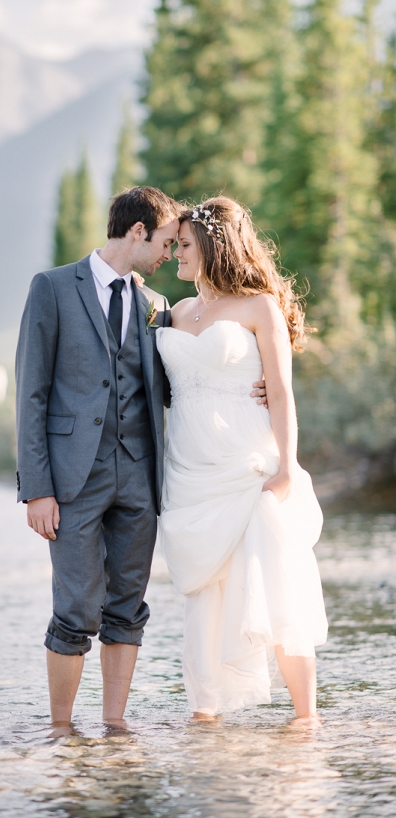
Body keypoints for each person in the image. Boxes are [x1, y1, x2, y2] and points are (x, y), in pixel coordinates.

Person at [15, 186, 269, 733]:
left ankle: (114, 727)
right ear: (137, 233)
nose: (169, 255)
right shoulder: (53, 288)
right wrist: (36, 488)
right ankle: (60, 730)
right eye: (165, 243)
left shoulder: (157, 307)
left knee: (127, 607)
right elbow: (30, 393)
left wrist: (257, 380)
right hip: (70, 481)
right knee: (75, 608)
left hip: (140, 478)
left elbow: (185, 382)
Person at [156, 197, 328, 723]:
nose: (175, 254)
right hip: (190, 474)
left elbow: (280, 392)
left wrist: (286, 467)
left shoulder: (260, 308)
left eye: (183, 245)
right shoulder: (173, 313)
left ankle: (306, 719)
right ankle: (205, 718)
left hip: (250, 469)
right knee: (205, 597)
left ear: (211, 246)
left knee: (275, 586)